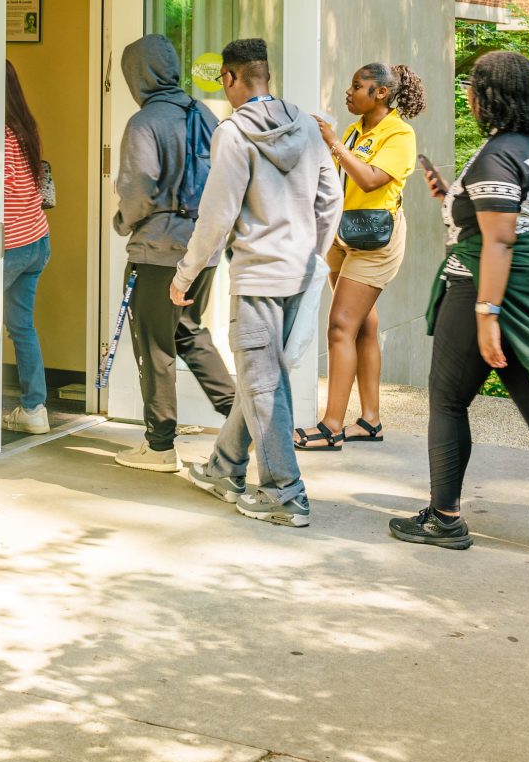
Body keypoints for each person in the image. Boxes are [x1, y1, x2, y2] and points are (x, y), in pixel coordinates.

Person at [391, 49, 529, 563]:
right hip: (528, 292)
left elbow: (500, 239)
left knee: (448, 401)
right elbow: (517, 217)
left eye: (473, 88)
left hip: (485, 289)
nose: (469, 97)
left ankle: (445, 519)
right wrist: (452, 197)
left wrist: (487, 314)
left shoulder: (498, 153)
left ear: (488, 97)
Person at [171, 37, 340, 528]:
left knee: (263, 386)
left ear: (230, 78)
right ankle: (225, 468)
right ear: (265, 74)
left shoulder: (233, 133)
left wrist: (186, 274)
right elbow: (331, 198)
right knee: (263, 380)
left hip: (258, 277)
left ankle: (285, 494)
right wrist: (311, 254)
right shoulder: (306, 125)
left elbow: (216, 215)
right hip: (299, 273)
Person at [110, 35, 238, 471]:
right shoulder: (203, 113)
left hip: (158, 251)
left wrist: (122, 221)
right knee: (188, 331)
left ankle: (160, 445)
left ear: (137, 74)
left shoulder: (145, 122)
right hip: (203, 248)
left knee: (154, 345)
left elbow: (138, 190)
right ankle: (241, 421)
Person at [296, 62, 426, 450]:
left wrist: (334, 144)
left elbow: (370, 180)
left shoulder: (399, 134)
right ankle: (370, 421)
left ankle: (331, 427)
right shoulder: (355, 130)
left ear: (380, 93)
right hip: (343, 233)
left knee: (340, 326)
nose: (348, 92)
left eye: (357, 86)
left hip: (375, 239)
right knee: (363, 326)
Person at [1, 63, 54, 436]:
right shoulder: (25, 127)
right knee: (22, 327)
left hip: (9, 244)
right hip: (36, 239)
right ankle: (35, 408)